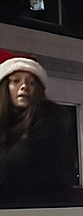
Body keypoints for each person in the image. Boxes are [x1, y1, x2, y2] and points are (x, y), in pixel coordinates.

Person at [0, 54, 75, 203]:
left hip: (40, 209)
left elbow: (15, 166)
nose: (24, 87)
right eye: (16, 81)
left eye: (32, 83)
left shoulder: (51, 119)